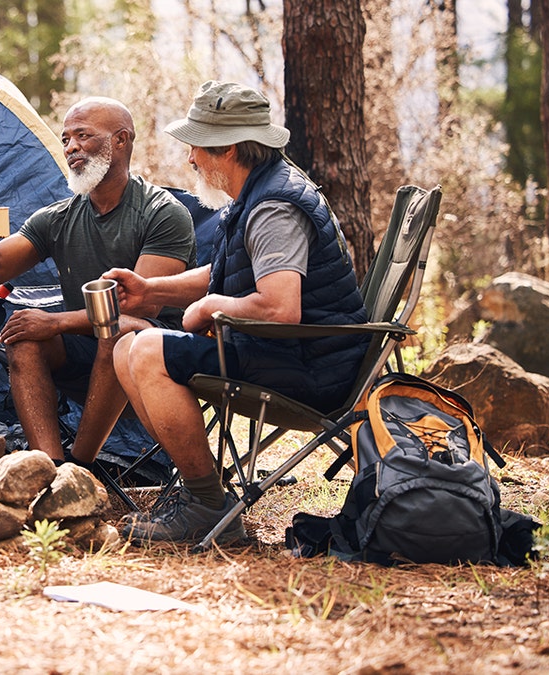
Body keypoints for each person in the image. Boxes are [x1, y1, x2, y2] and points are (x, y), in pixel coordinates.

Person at [105, 81, 370, 545]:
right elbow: (233, 270)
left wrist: (211, 305)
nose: (190, 159)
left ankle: (207, 507)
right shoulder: (259, 192)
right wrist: (151, 289)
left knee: (146, 350)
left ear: (227, 148)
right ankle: (199, 492)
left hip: (310, 367)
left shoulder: (274, 208)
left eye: (197, 147)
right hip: (288, 353)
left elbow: (280, 307)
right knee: (128, 345)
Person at [0, 97, 196, 464]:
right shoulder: (57, 218)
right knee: (25, 338)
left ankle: (79, 467)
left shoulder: (161, 212)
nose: (70, 147)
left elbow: (140, 304)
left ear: (120, 140)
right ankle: (49, 469)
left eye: (83, 135)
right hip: (87, 353)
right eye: (65, 138)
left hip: (154, 357)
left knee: (116, 332)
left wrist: (53, 321)